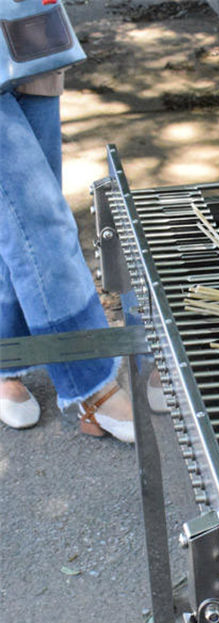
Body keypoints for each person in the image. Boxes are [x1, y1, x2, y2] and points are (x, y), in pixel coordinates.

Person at [0, 69, 136, 442]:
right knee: (40, 220)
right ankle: (90, 383)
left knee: (15, 220)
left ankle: (6, 355)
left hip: (22, 33)